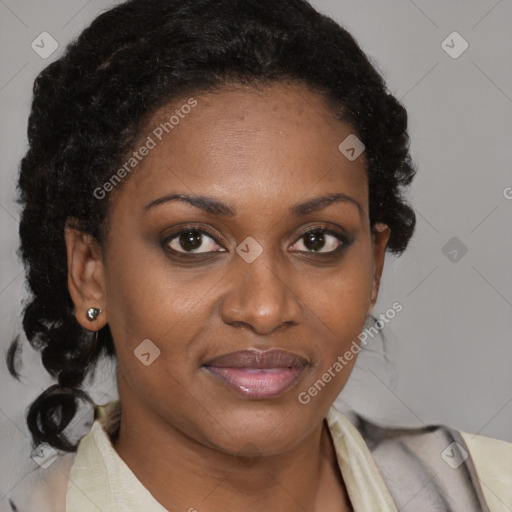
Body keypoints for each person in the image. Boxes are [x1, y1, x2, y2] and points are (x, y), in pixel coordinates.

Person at [5, 0, 511, 510]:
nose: (266, 309)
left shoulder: (489, 489)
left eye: (316, 240)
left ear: (374, 267)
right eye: (193, 241)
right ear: (89, 271)